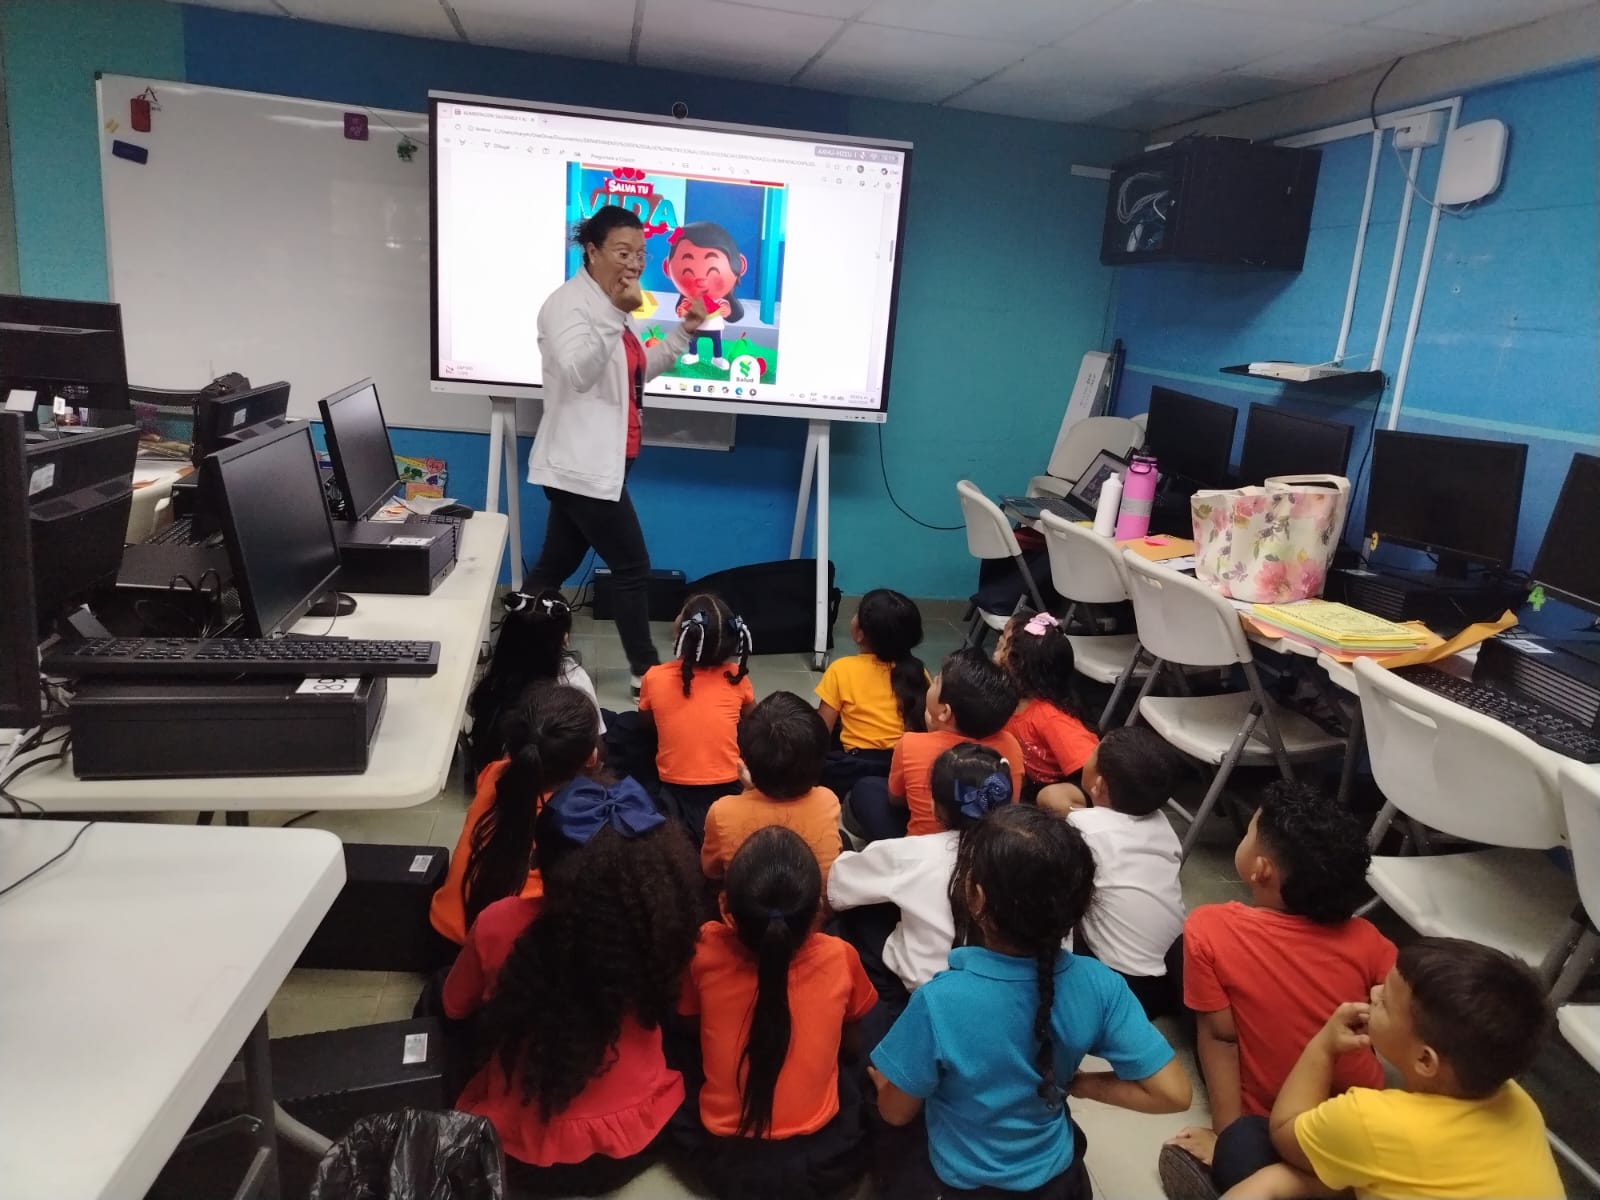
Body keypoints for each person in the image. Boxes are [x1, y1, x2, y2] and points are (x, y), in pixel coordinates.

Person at [869, 805, 1192, 1200]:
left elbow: (895, 1112)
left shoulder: (938, 1003)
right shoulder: (1100, 984)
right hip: (1060, 1182)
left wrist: (887, 1085)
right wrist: (1080, 1084)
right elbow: (1173, 1093)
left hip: (963, 1185)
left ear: (976, 898)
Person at [443, 774, 702, 1196]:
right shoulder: (662, 927)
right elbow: (683, 1008)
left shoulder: (498, 923)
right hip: (636, 1140)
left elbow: (455, 1006)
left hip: (520, 1150)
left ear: (540, 861)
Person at [1162, 782, 1396, 1197]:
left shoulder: (1210, 929)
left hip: (1272, 1122)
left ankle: (1243, 1177)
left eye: (1250, 831)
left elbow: (1220, 1038)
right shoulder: (1369, 939)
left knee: (1241, 1153)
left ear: (1261, 870)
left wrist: (1225, 1134)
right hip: (1357, 1120)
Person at [1226, 938, 1564, 1200]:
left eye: (1385, 1003)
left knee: (1247, 1146)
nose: (1372, 994)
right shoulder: (1519, 1102)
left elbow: (1283, 1131)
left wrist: (1323, 1047)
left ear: (1425, 1061)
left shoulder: (1371, 1120)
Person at [529, 204, 710, 692]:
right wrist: (615, 313)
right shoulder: (569, 305)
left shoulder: (611, 306)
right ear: (592, 251)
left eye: (641, 254)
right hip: (580, 467)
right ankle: (645, 672)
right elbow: (580, 373)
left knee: (552, 567)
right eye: (623, 252)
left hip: (598, 465)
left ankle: (520, 653)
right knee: (632, 566)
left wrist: (685, 331)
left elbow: (638, 371)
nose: (634, 263)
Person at [676, 826, 878, 1199]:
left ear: (725, 907)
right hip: (824, 1158)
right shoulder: (839, 956)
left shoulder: (703, 947)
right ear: (818, 911)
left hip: (724, 1160)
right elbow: (850, 1044)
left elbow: (689, 1024)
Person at [828, 743, 1013, 1031]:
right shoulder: (1027, 859)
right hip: (1005, 997)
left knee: (858, 911)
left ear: (936, 807)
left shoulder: (912, 854)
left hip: (923, 994)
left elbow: (838, 887)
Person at [429, 683, 601, 949]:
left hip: (446, 931)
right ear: (591, 757)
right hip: (509, 953)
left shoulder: (494, 774)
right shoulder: (585, 816)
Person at [1064, 728, 1187, 1018]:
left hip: (1120, 985)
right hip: (1172, 976)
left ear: (1099, 785)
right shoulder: (1162, 823)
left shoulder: (1083, 828)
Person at [843, 648, 1023, 844]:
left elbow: (897, 798)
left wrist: (932, 732)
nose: (933, 682)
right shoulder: (1011, 745)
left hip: (921, 846)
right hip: (988, 845)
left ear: (945, 712)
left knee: (865, 789)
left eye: (936, 681)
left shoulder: (911, 744)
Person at [637, 591, 756, 845]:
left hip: (674, 792)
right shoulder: (737, 677)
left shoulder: (655, 677)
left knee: (628, 727)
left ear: (683, 632)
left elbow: (645, 723)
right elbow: (755, 721)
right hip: (731, 789)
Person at [701, 691, 842, 887]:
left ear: (746, 760)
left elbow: (711, 870)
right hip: (816, 906)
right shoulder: (828, 801)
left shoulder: (721, 812)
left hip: (746, 905)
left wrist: (750, 790)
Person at [465, 588, 600, 779]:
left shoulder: (494, 673)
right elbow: (593, 749)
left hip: (497, 777)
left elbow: (473, 709)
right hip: (553, 782)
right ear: (564, 638)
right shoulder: (574, 678)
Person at [814, 589, 928, 801]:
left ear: (860, 634)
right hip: (904, 770)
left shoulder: (842, 669)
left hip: (855, 769)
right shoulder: (918, 673)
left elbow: (820, 733)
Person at [996, 612, 1098, 811]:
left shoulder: (1049, 716)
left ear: (1020, 666)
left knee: (1052, 798)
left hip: (1072, 787)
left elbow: (1093, 766)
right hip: (1033, 786)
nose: (996, 652)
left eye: (1003, 647)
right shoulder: (1009, 699)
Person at [664, 221, 747, 370]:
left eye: (713, 270)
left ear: (741, 265)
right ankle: (693, 354)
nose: (701, 281)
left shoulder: (720, 301)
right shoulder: (689, 300)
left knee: (716, 341)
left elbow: (728, 310)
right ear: (667, 269)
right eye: (688, 271)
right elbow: (683, 309)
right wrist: (682, 311)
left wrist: (726, 311)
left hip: (714, 325)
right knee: (693, 340)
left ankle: (717, 358)